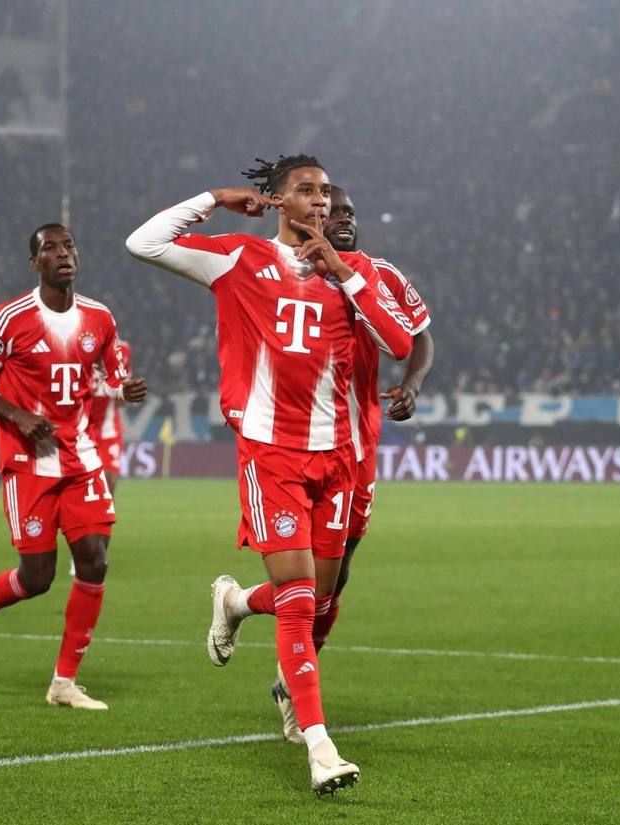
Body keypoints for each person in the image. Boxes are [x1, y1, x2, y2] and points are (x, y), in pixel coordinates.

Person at [126, 153, 413, 795]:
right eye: (306, 190)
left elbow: (398, 344)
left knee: (320, 598)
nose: (321, 201)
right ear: (279, 200)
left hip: (338, 458)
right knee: (300, 601)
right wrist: (214, 198)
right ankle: (320, 746)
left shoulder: (354, 269)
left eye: (325, 192)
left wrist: (341, 271)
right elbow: (143, 243)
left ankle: (234, 602)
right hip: (272, 455)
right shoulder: (238, 258)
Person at [271, 186, 434, 743]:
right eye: (333, 211)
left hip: (360, 446)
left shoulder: (378, 274)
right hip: (302, 445)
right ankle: (294, 683)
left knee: (336, 576)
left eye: (350, 212)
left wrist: (412, 384)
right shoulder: (292, 274)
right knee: (308, 580)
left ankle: (291, 670)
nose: (342, 218)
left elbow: (419, 336)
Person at [0, 223, 147, 709]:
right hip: (29, 460)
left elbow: (107, 380)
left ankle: (64, 683)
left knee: (95, 560)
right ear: (35, 263)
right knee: (37, 578)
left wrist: (124, 391)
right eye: (50, 248)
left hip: (80, 456)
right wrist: (17, 415)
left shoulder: (99, 317)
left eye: (68, 245)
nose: (63, 253)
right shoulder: (11, 317)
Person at [88, 339, 133, 493]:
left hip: (109, 431)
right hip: (81, 430)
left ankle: (107, 509)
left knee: (109, 480)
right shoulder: (77, 348)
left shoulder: (123, 351)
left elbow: (122, 400)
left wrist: (124, 391)